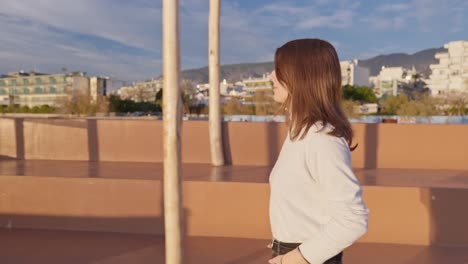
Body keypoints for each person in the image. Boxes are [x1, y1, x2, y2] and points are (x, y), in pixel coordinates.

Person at [267, 39, 369, 264]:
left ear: (300, 76)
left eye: (278, 70)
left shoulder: (320, 138)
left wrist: (294, 258)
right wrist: (284, 239)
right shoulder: (300, 132)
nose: (270, 77)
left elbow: (353, 219)